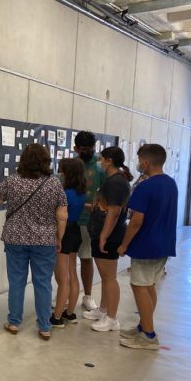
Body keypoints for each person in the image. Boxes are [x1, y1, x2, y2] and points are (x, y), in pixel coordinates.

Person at [0, 144, 67, 340]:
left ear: (24, 160)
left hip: (15, 239)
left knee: (16, 281)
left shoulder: (13, 181)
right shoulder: (54, 184)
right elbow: (62, 216)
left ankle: (14, 322)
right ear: (46, 161)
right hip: (44, 241)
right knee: (43, 283)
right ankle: (45, 326)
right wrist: (58, 238)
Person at [117, 144, 177, 350]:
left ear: (146, 162)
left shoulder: (146, 186)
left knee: (140, 286)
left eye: (139, 160)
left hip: (146, 244)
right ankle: (144, 326)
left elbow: (136, 221)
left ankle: (149, 335)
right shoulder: (170, 183)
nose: (138, 163)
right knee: (149, 285)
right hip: (164, 243)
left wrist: (124, 244)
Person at [83, 146, 132, 331]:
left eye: (101, 158)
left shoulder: (116, 182)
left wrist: (104, 236)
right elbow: (104, 206)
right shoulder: (111, 180)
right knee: (104, 276)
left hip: (109, 236)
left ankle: (111, 318)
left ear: (109, 161)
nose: (99, 162)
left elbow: (114, 211)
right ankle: (103, 310)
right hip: (100, 232)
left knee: (109, 277)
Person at [50, 159, 86, 328]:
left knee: (64, 278)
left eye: (61, 170)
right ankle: (70, 312)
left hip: (64, 232)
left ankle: (57, 316)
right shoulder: (80, 192)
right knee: (72, 274)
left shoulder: (65, 193)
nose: (59, 173)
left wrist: (58, 237)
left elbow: (60, 217)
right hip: (76, 231)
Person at [74, 131, 105, 312]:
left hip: (89, 221)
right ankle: (66, 293)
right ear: (76, 148)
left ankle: (87, 296)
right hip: (70, 219)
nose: (87, 152)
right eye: (83, 149)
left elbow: (106, 194)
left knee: (86, 258)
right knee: (66, 260)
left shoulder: (101, 166)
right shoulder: (71, 165)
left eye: (90, 148)